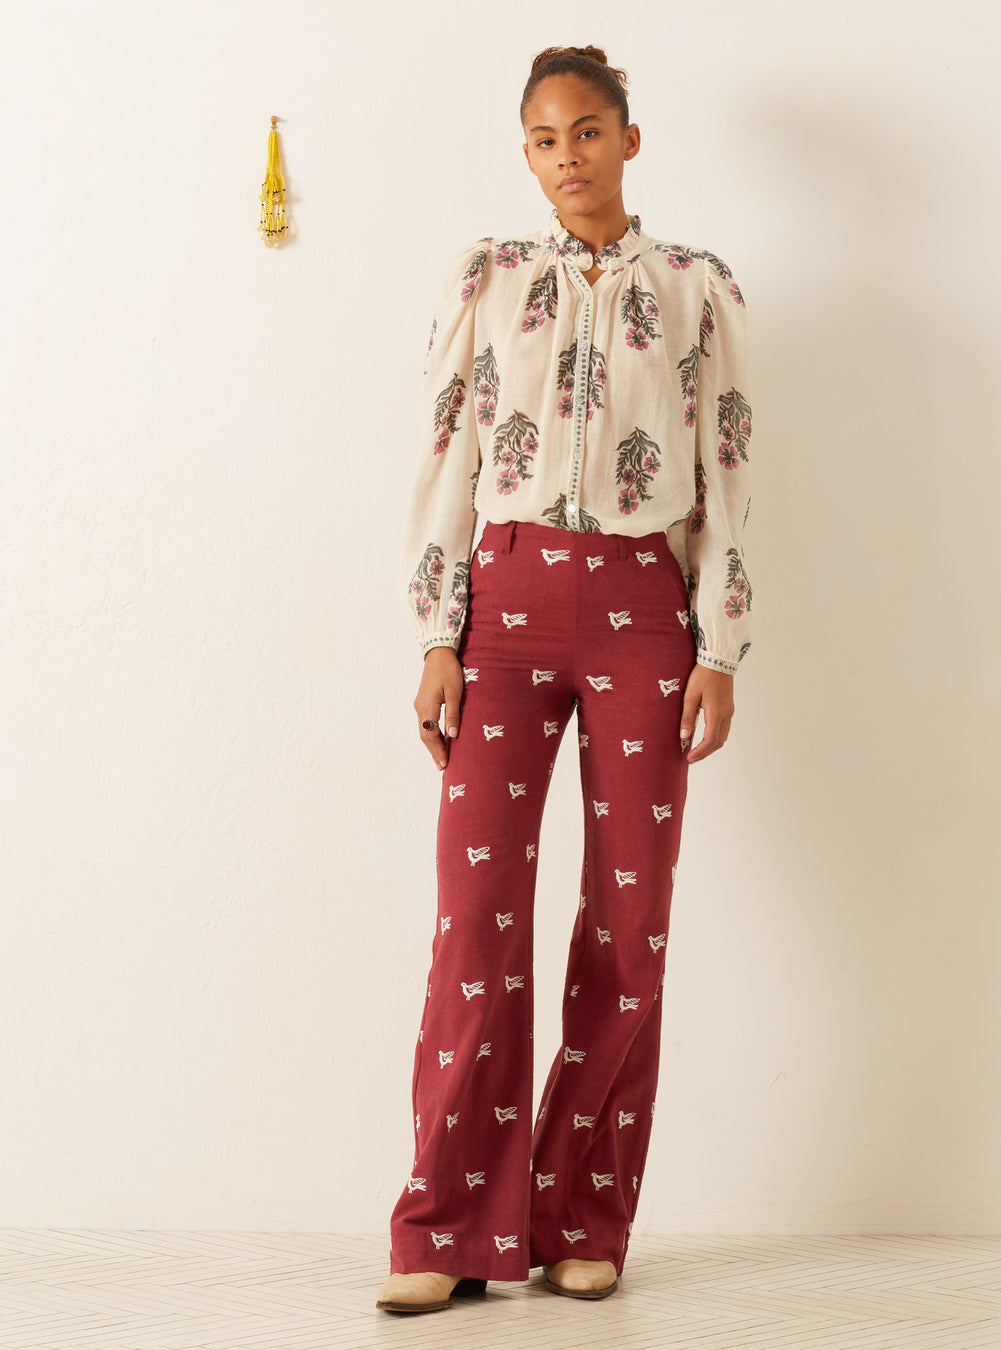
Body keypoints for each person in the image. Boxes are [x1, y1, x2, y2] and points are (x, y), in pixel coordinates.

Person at [376, 43, 753, 1315]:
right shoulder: (488, 281)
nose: (567, 156)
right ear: (526, 154)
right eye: (544, 139)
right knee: (472, 922)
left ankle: (580, 1219)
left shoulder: (699, 289)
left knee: (627, 930)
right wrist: (438, 631)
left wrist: (722, 647)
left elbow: (733, 466)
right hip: (508, 605)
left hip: (647, 613)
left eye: (588, 131)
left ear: (629, 140)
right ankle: (443, 1231)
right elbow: (446, 452)